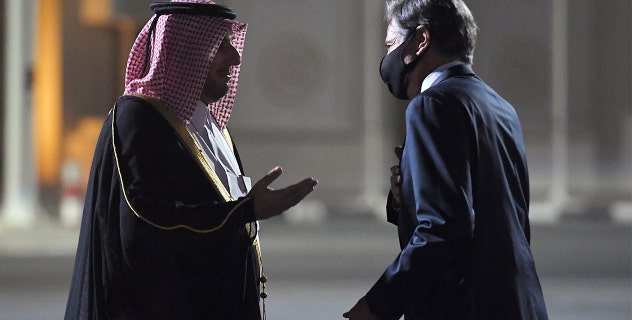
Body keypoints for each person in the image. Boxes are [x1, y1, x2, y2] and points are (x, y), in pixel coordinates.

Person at [64, 1, 317, 319]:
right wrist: (244, 211)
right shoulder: (138, 118)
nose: (234, 58)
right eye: (220, 44)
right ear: (184, 51)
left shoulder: (212, 127)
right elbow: (144, 226)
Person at [343, 0, 548, 319]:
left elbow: (444, 229)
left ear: (421, 40)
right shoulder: (501, 108)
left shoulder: (432, 105)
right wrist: (406, 197)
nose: (388, 60)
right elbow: (495, 212)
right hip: (519, 303)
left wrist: (376, 306)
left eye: (392, 44)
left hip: (465, 306)